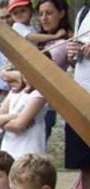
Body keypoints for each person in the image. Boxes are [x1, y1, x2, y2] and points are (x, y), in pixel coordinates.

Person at [0, 69, 48, 159]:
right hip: (8, 147)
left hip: (27, 147)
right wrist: (14, 116)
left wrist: (1, 123)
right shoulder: (15, 91)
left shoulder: (38, 94)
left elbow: (18, 126)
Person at [35, 0, 71, 140]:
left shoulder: (62, 44)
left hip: (43, 107)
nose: (44, 18)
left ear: (61, 13)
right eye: (41, 14)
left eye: (49, 13)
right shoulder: (41, 39)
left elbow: (37, 71)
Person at [66, 2, 90, 189]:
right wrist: (73, 53)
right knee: (85, 166)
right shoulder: (83, 13)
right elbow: (75, 62)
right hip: (80, 96)